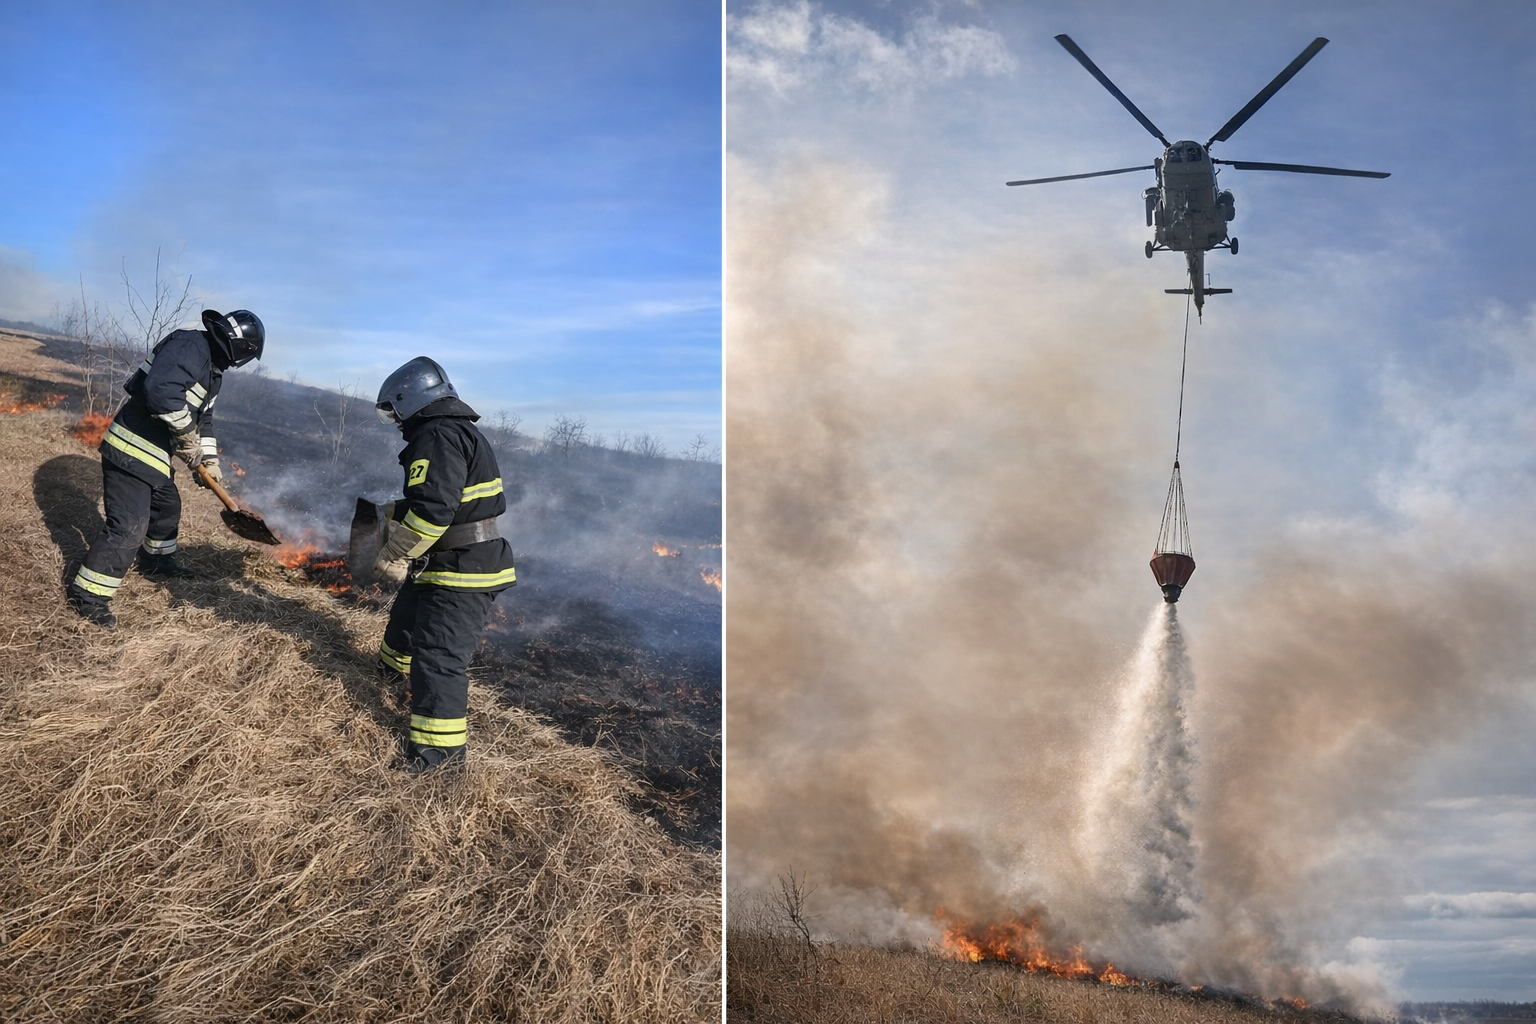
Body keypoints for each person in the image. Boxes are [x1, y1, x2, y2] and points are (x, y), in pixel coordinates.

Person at [68, 309, 265, 629]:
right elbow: (160, 391)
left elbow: (205, 422)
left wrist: (210, 461)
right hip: (131, 448)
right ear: (239, 347)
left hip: (154, 456)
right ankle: (88, 593)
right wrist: (187, 439)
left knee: (167, 506)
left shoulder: (213, 370)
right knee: (129, 526)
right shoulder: (190, 345)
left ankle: (157, 561)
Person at [372, 356, 516, 773]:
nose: (397, 423)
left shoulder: (436, 434)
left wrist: (395, 552)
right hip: (448, 561)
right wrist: (394, 509)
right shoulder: (456, 431)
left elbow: (435, 511)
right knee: (405, 620)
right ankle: (389, 677)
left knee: (438, 658)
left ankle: (439, 762)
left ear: (411, 401)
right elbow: (453, 500)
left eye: (396, 412)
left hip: (463, 568)